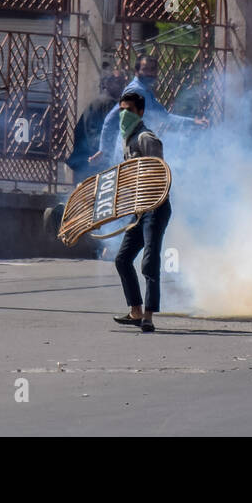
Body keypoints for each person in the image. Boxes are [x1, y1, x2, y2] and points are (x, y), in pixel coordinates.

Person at [111, 91, 172, 333]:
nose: (124, 114)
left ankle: (148, 316)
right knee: (123, 259)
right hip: (138, 209)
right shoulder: (127, 138)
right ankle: (135, 310)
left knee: (149, 261)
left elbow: (159, 173)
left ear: (140, 112)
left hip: (155, 207)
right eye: (121, 110)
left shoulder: (147, 139)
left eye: (129, 110)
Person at [90, 54, 207, 168]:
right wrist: (103, 149)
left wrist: (192, 122)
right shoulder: (135, 91)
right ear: (136, 72)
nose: (149, 73)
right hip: (130, 152)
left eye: (152, 70)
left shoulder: (145, 91)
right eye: (145, 69)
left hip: (139, 149)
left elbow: (164, 117)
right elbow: (111, 118)